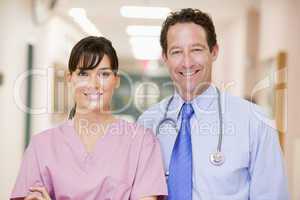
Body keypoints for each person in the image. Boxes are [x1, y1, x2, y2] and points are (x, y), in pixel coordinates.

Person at [137, 8, 289, 200]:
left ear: (214, 51)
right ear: (165, 58)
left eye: (196, 50)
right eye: (176, 52)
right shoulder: (148, 123)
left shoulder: (255, 121)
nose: (187, 62)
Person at [11, 36, 167, 200]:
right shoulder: (41, 147)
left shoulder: (142, 143)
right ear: (70, 79)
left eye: (104, 74)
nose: (93, 84)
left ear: (116, 80)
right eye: (84, 73)